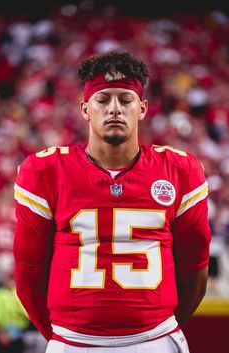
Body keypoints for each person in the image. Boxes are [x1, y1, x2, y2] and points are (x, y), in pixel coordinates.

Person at [13, 50, 211, 353]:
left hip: (155, 339)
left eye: (125, 99)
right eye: (103, 100)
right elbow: (29, 275)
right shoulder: (45, 171)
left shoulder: (179, 169)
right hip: (74, 341)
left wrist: (160, 330)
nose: (114, 109)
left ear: (142, 109)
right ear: (85, 109)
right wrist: (62, 336)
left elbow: (195, 270)